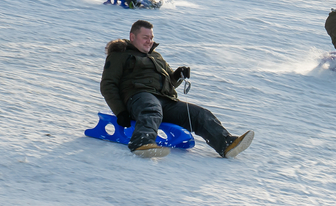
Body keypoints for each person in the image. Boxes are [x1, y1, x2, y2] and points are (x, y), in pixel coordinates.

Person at [100, 20, 254, 158]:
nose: (149, 41)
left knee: (199, 114)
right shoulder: (120, 55)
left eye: (151, 37)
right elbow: (108, 84)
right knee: (151, 108)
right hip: (138, 97)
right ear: (132, 37)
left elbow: (170, 83)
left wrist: (178, 75)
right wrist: (120, 112)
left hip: (165, 100)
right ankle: (142, 143)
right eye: (145, 37)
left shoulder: (156, 57)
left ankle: (226, 144)